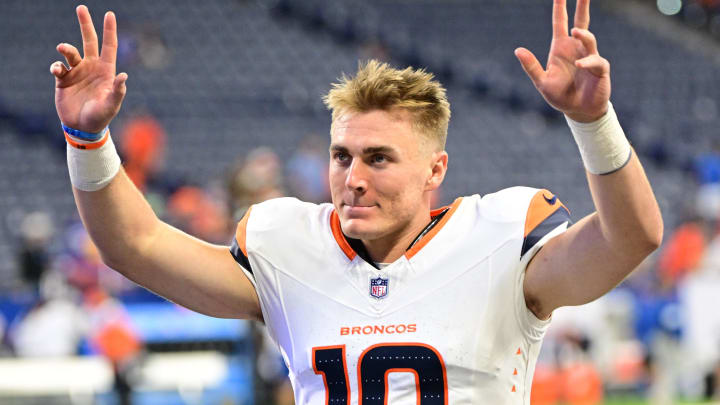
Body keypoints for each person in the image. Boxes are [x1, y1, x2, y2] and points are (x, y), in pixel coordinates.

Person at [50, 1, 662, 403]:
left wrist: (594, 121)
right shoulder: (289, 246)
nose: (353, 178)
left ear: (435, 170)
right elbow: (133, 244)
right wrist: (87, 138)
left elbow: (630, 237)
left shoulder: (500, 236)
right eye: (343, 156)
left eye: (379, 158)